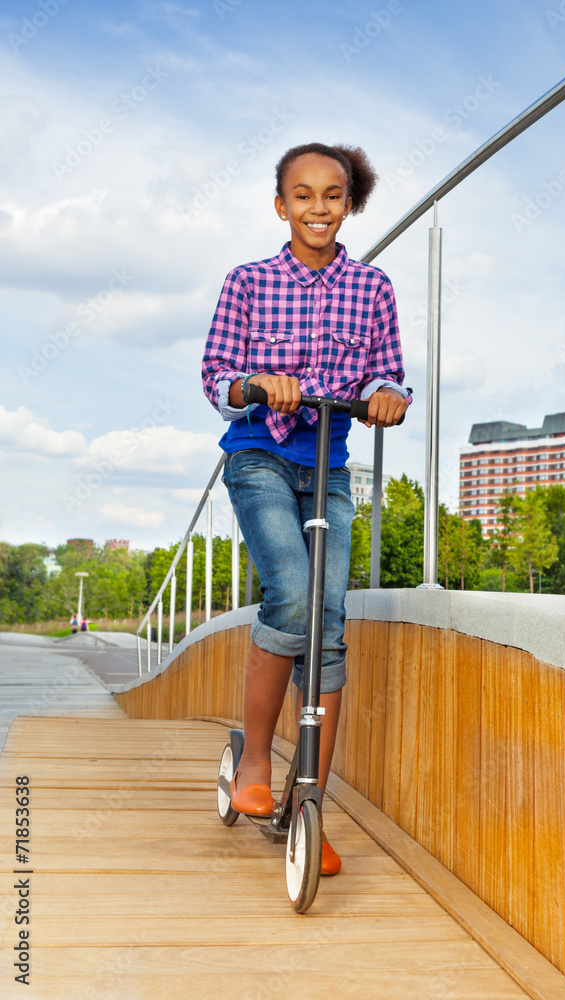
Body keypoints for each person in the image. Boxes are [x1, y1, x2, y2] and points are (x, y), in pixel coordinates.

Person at [202, 142, 410, 875]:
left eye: (332, 195)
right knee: (294, 593)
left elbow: (388, 369)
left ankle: (306, 799)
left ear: (348, 204)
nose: (317, 207)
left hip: (328, 465)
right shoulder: (249, 282)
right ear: (280, 204)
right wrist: (260, 379)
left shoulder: (373, 287)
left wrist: (390, 394)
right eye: (302, 194)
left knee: (328, 626)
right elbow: (216, 376)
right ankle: (255, 761)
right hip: (260, 454)